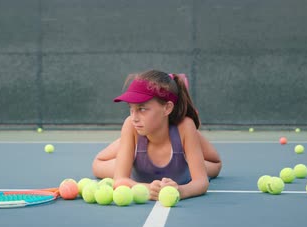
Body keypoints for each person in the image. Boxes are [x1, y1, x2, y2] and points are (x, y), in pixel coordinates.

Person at [92, 69, 222, 200]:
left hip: (179, 155)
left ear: (167, 108)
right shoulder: (131, 125)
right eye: (131, 109)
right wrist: (147, 189)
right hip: (139, 161)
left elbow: (201, 182)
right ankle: (132, 152)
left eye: (142, 109)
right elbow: (119, 181)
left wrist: (181, 191)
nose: (134, 117)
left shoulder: (186, 127)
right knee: (98, 165)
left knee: (211, 166)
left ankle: (186, 152)